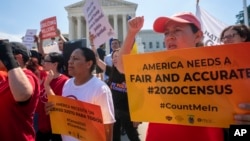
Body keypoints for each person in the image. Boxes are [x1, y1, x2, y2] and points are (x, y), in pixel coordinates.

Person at [45, 47, 115, 141]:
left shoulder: (100, 89)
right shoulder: (67, 84)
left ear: (88, 64)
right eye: (70, 58)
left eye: (75, 59)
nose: (70, 61)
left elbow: (108, 125)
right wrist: (54, 108)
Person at [89, 35, 141, 141]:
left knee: (133, 137)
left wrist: (138, 115)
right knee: (115, 137)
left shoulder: (131, 73)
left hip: (127, 112)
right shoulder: (110, 71)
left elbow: (138, 95)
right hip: (113, 111)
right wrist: (93, 44)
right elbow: (97, 60)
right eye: (114, 56)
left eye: (118, 56)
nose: (115, 58)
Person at [0, 40, 40, 141]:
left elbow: (23, 94)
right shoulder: (6, 78)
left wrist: (8, 59)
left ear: (17, 58)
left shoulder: (28, 76)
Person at [35, 52, 69, 141]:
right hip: (43, 126)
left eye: (46, 61)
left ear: (55, 64)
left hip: (55, 130)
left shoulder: (65, 81)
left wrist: (46, 85)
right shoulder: (47, 77)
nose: (42, 63)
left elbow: (57, 105)